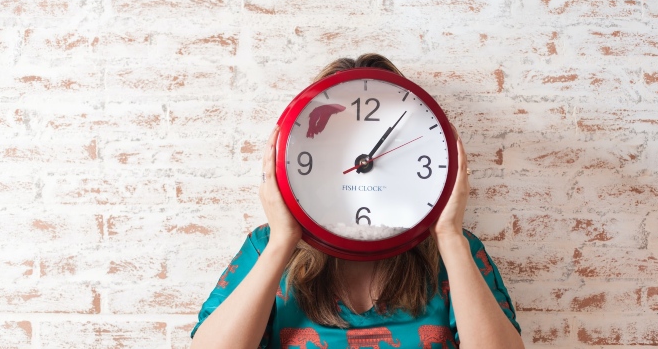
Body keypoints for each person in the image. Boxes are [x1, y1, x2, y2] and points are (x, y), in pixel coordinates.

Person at [190, 54, 524, 349]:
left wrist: (449, 236)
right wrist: (283, 240)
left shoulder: (454, 251)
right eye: (340, 144)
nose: (363, 162)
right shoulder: (266, 247)